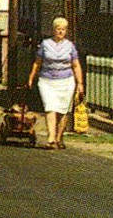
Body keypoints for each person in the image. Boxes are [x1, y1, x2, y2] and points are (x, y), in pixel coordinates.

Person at [26, 16, 84, 149]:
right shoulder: (45, 45)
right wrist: (31, 78)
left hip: (66, 81)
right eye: (58, 29)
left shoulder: (70, 46)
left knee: (63, 110)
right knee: (50, 107)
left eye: (63, 29)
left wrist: (80, 83)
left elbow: (76, 65)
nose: (61, 32)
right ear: (53, 30)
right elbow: (37, 63)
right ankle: (51, 138)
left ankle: (59, 137)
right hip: (47, 81)